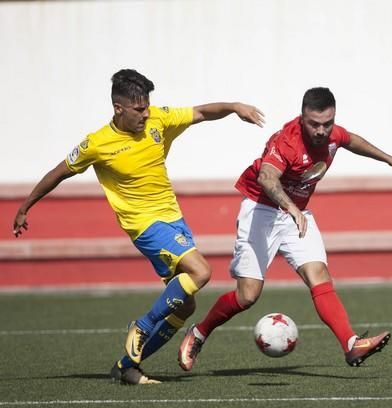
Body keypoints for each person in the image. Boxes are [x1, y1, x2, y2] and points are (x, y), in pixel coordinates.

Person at [12, 69, 265, 385]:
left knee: (185, 306)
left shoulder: (158, 119)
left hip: (173, 218)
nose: (146, 114)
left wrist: (234, 106)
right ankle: (142, 326)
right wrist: (25, 206)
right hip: (144, 225)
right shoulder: (98, 143)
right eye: (138, 109)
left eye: (147, 107)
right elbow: (60, 172)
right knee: (201, 272)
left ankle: (127, 365)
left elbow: (200, 112)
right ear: (119, 108)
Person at [178, 87, 392, 370]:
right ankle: (199, 333)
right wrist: (290, 207)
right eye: (314, 124)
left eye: (327, 123)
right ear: (302, 117)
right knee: (248, 295)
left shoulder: (332, 134)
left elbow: (350, 140)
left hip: (296, 214)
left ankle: (351, 344)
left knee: (318, 273)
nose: (321, 130)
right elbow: (267, 177)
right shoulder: (286, 142)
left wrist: (390, 159)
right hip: (261, 210)